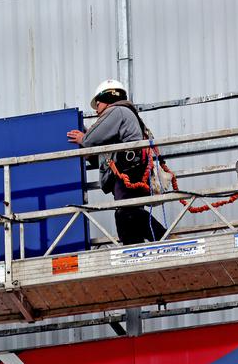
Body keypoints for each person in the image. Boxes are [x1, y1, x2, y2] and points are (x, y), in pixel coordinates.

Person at [66, 79, 166, 245]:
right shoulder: (124, 115)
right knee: (129, 213)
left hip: (129, 172)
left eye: (97, 105)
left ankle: (163, 238)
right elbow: (104, 155)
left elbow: (91, 139)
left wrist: (83, 137)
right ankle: (135, 248)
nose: (97, 111)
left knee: (127, 213)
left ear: (107, 98)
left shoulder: (117, 111)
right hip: (131, 172)